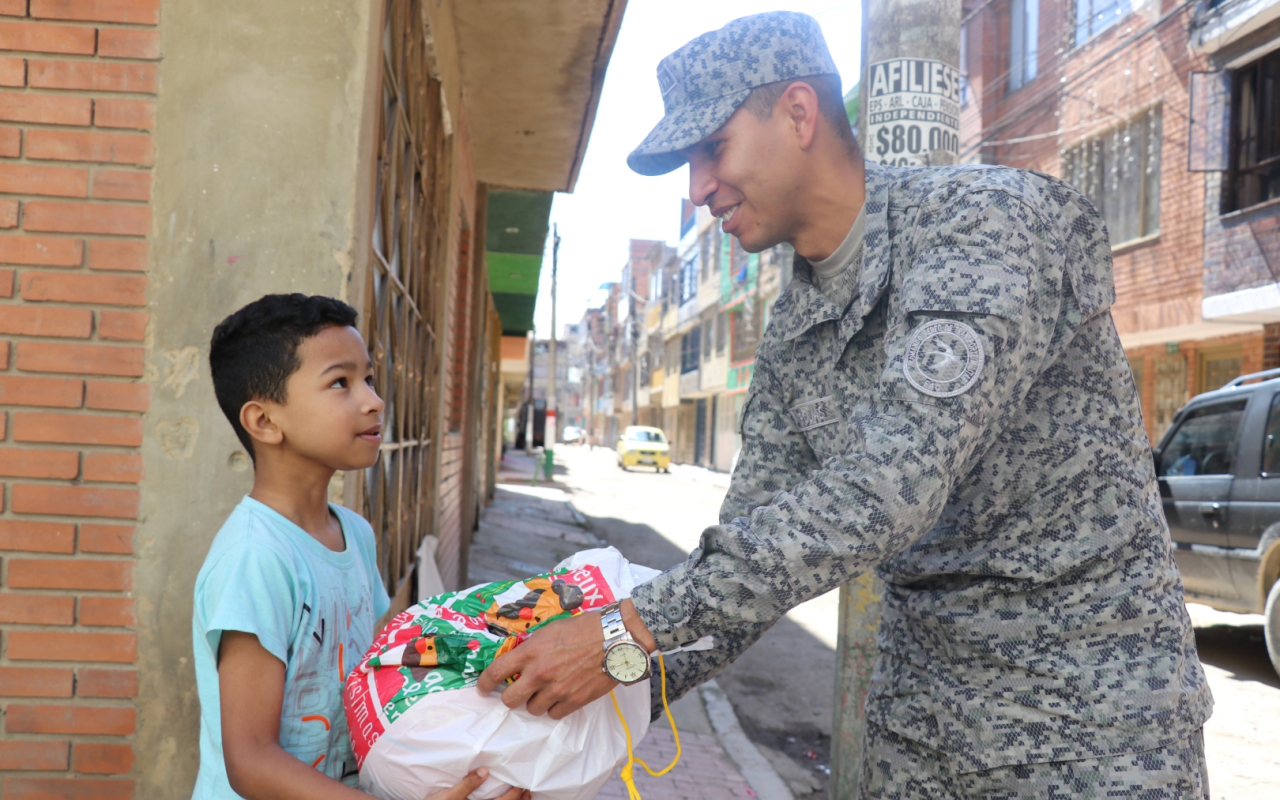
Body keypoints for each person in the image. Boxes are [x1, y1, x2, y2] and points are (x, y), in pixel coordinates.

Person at [478, 11, 1212, 798]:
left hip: (1092, 732)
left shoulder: (985, 221)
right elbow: (753, 555)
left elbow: (891, 485)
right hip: (920, 732)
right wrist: (556, 726)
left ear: (798, 113)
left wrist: (621, 631)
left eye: (711, 149)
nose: (697, 190)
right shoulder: (795, 328)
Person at [195, 294, 528, 800]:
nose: (373, 400)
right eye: (340, 383)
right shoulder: (255, 558)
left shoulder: (353, 532)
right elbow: (251, 759)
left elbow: (373, 676)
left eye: (368, 379)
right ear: (265, 422)